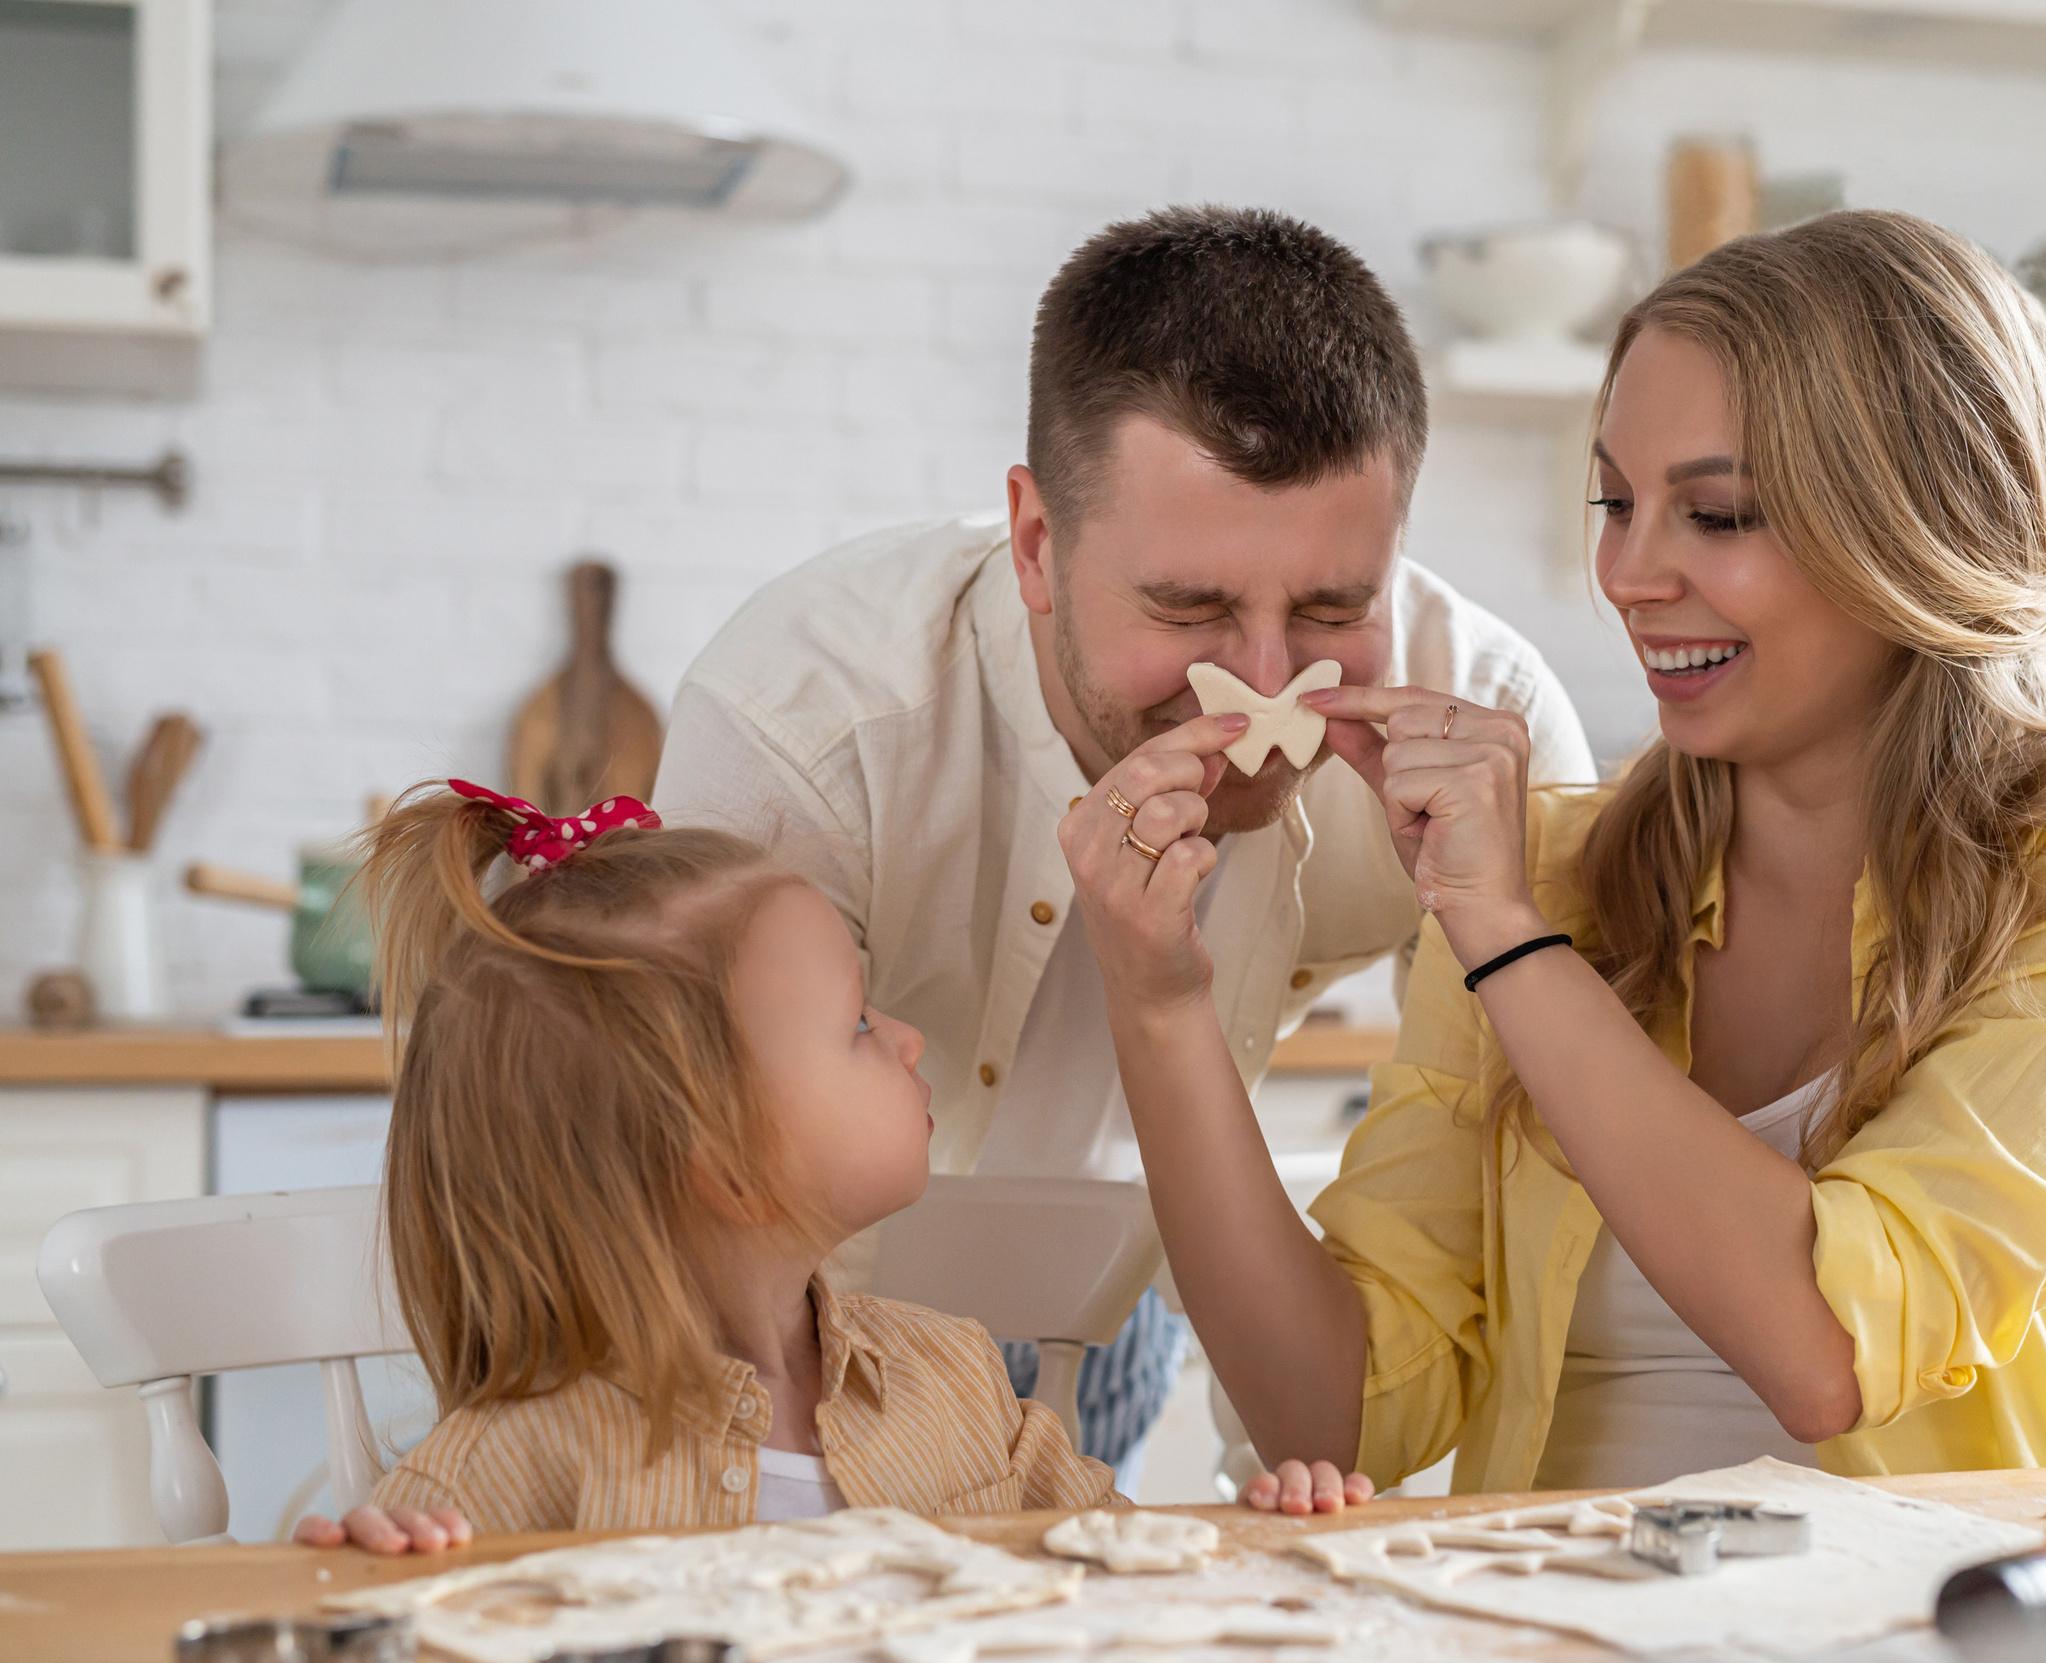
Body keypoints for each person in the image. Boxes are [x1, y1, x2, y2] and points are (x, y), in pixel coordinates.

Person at [1061, 209, 2046, 1506]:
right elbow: (1340, 1412)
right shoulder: (1547, 871)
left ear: (1914, 525)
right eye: (1616, 501)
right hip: (1558, 1638)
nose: (1625, 571)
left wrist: (1505, 937)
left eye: (1715, 513)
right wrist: (1166, 1015)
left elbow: (1829, 1346)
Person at [650, 205, 1595, 1495]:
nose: (1264, 693)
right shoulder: (806, 728)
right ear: (1036, 545)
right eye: (1189, 609)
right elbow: (676, 1208)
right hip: (801, 1335)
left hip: (1143, 1277)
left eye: (1332, 606)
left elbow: (1432, 1314)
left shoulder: (1489, 733)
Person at [294, 780, 1122, 1554]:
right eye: (859, 1025)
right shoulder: (495, 1476)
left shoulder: (958, 1381)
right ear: (727, 1164)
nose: (907, 1038)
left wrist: (1253, 1526)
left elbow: (1153, 1576)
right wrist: (378, 1588)